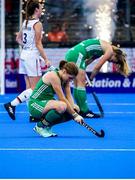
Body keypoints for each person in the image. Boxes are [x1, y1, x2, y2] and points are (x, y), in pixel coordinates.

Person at [4, 0, 51, 120]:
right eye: (40, 8)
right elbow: (38, 43)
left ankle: (32, 114)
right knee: (35, 88)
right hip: (32, 56)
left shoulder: (26, 22)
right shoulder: (37, 23)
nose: (41, 10)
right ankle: (12, 104)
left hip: (24, 55)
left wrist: (26, 47)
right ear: (36, 10)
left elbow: (18, 39)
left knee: (28, 87)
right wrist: (46, 59)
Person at [65, 38, 130, 118]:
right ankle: (85, 111)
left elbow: (86, 62)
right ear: (115, 54)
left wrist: (83, 70)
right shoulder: (109, 51)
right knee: (80, 83)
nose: (111, 62)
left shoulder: (100, 51)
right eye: (114, 61)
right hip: (78, 55)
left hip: (73, 54)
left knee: (77, 83)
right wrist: (91, 79)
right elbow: (97, 67)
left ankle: (80, 110)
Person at [29, 61, 84, 137]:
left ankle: (47, 127)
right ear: (64, 71)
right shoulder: (53, 76)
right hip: (35, 104)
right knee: (62, 106)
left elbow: (68, 96)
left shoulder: (65, 80)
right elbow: (62, 98)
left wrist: (74, 112)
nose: (70, 80)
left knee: (75, 108)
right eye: (70, 78)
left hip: (48, 104)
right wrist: (75, 115)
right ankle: (39, 126)